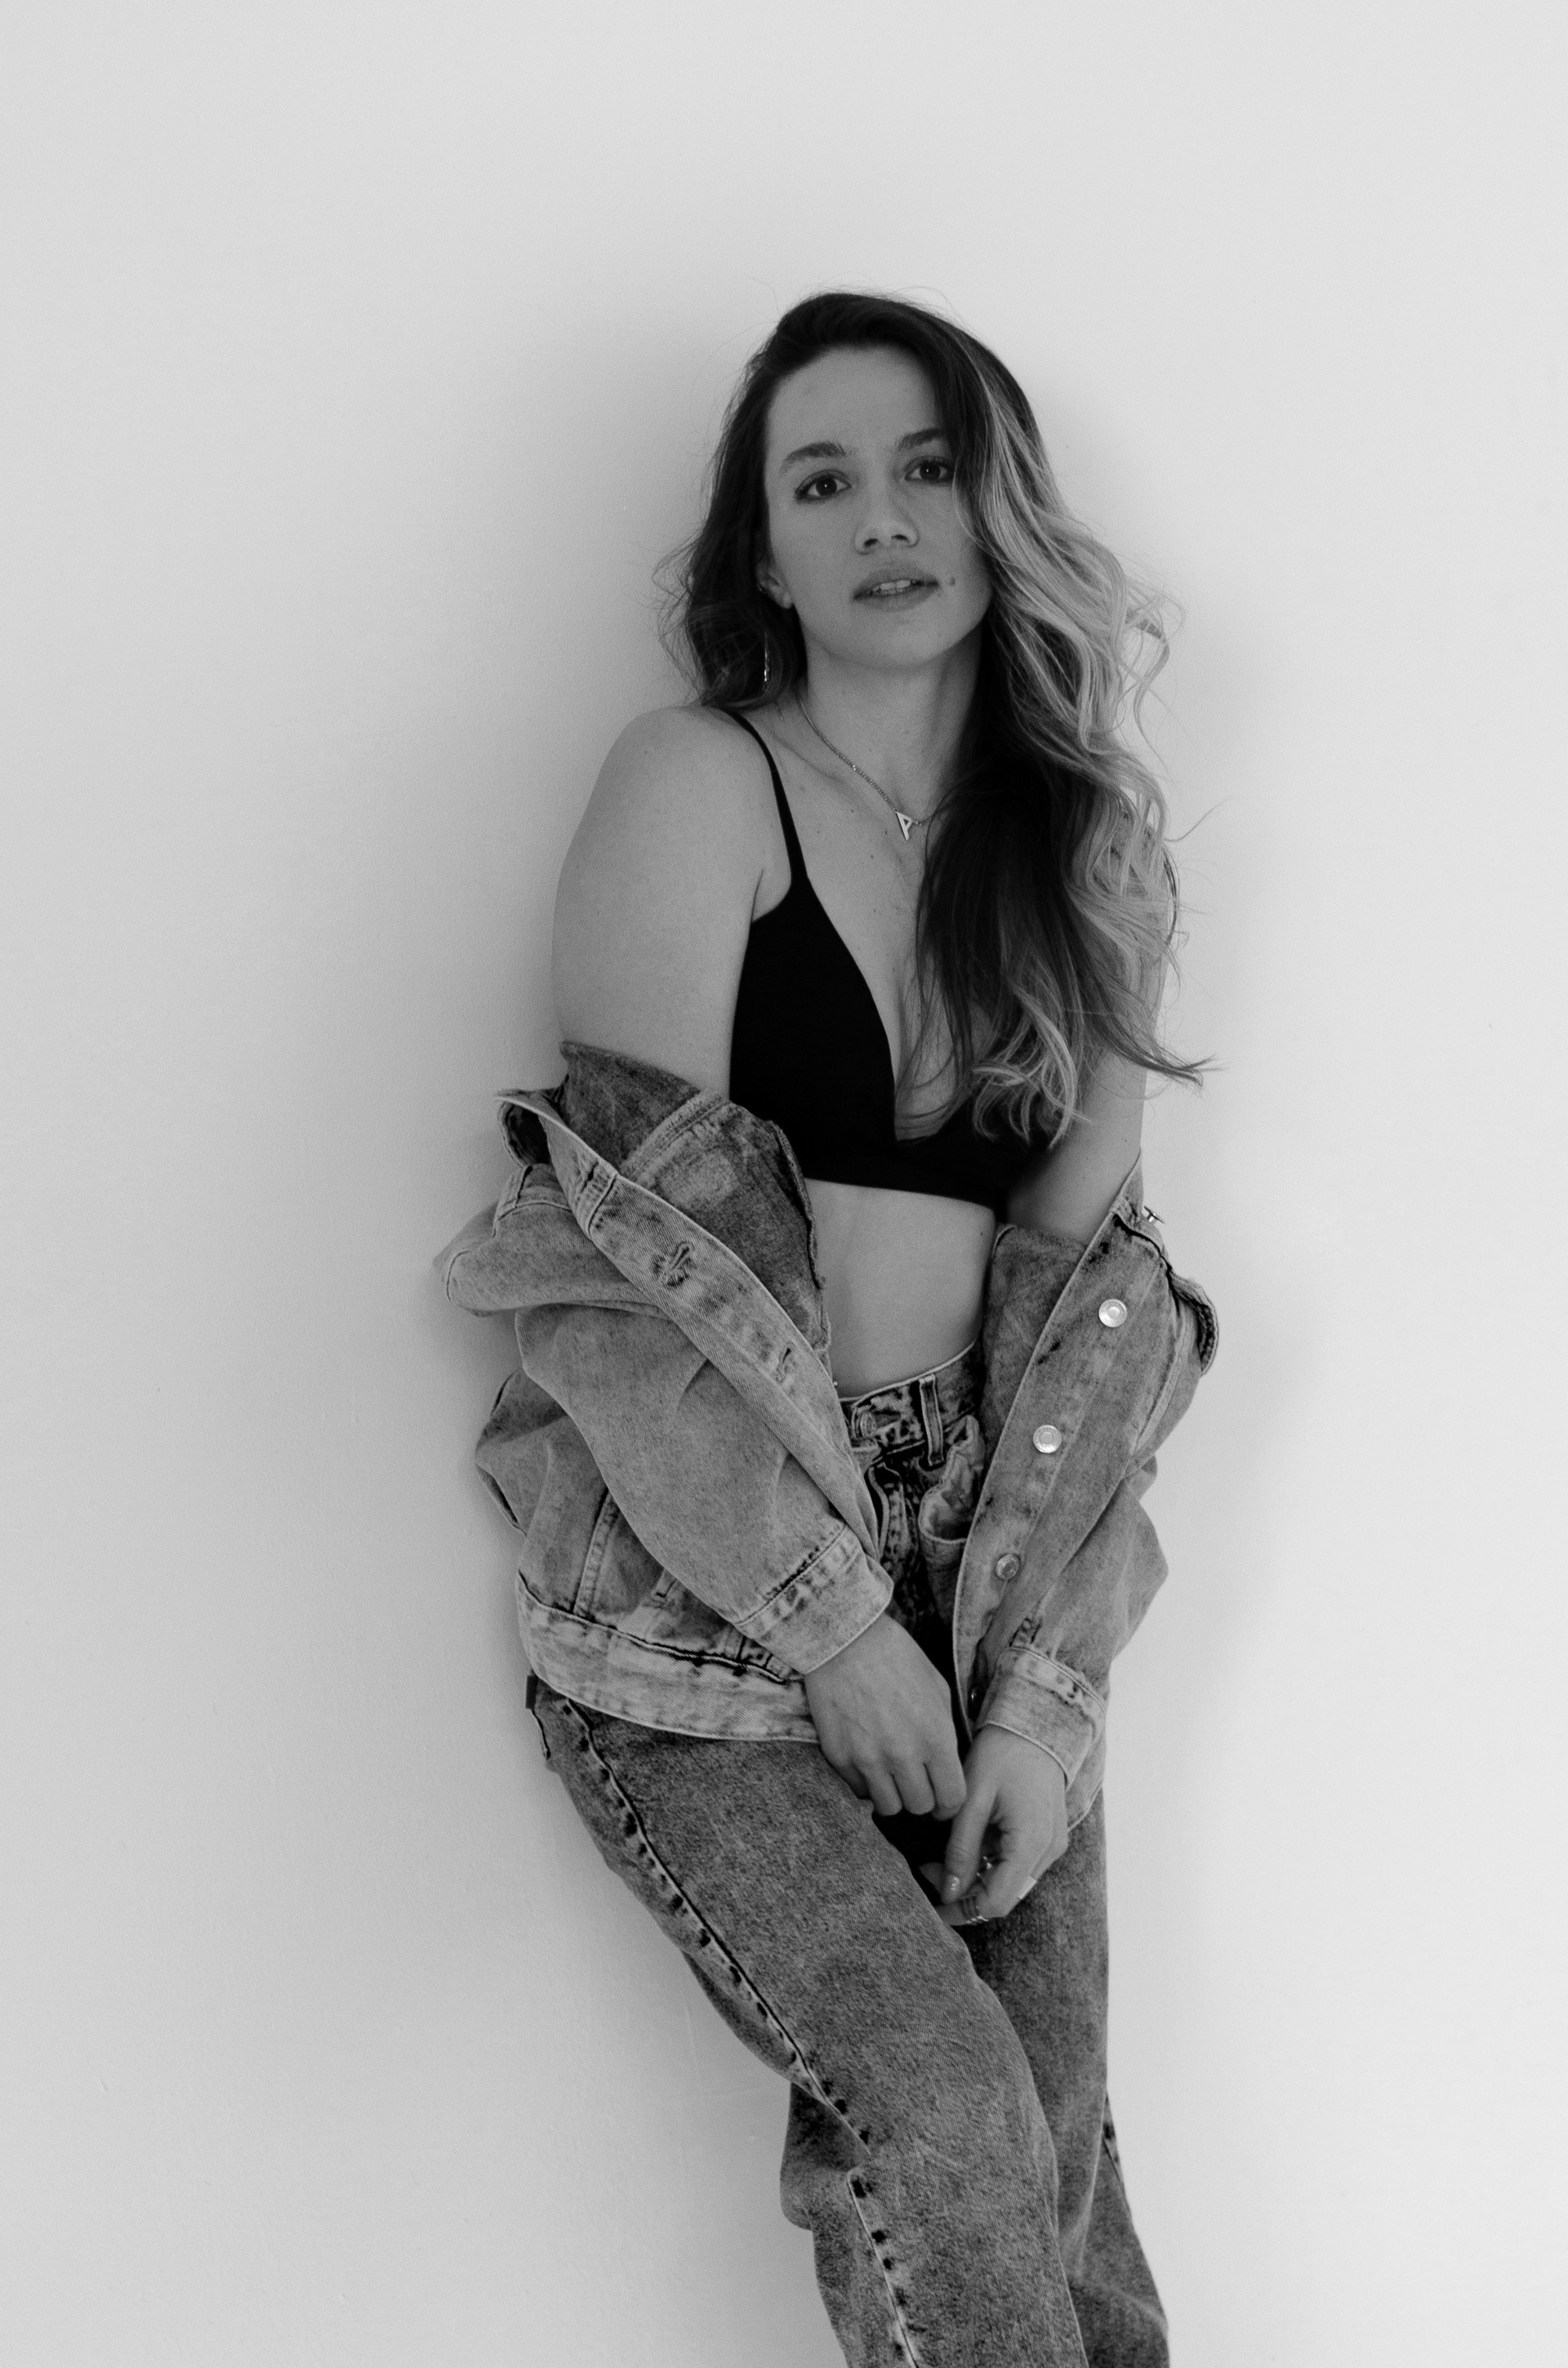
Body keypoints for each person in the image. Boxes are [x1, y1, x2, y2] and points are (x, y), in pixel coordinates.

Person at [442, 292, 1217, 2368]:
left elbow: (1093, 1321)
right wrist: (828, 1620)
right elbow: (610, 1268)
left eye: (928, 467)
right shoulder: (697, 784)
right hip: (699, 1584)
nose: (883, 518)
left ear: (999, 505)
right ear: (763, 556)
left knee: (1058, 2173)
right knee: (947, 2122)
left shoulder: (1085, 853)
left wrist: (1043, 1694)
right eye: (822, 480)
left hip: (989, 1559)